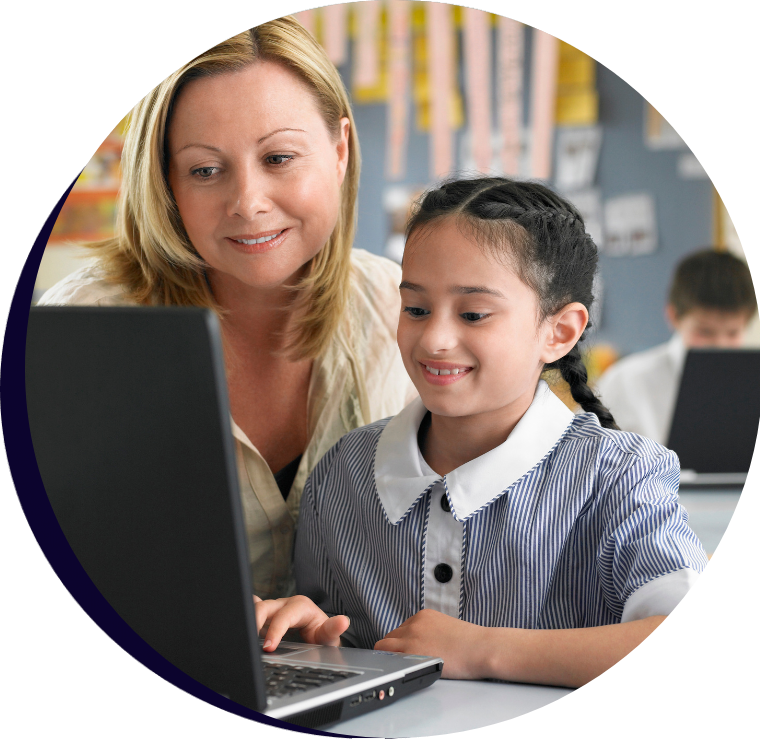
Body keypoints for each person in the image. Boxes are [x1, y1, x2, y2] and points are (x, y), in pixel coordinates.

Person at [253, 177, 709, 688]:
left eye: (473, 313)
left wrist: (484, 648)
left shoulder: (619, 475)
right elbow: (332, 632)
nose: (435, 338)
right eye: (416, 309)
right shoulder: (344, 471)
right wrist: (309, 632)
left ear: (558, 332)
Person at [36, 18, 416, 600]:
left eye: (280, 158)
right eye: (205, 170)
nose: (248, 203)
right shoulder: (84, 329)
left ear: (339, 152)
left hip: (361, 671)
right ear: (167, 184)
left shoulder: (398, 306)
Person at [595, 249, 757, 445]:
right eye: (705, 332)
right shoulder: (625, 382)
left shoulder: (751, 383)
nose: (720, 345)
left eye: (732, 333)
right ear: (673, 316)